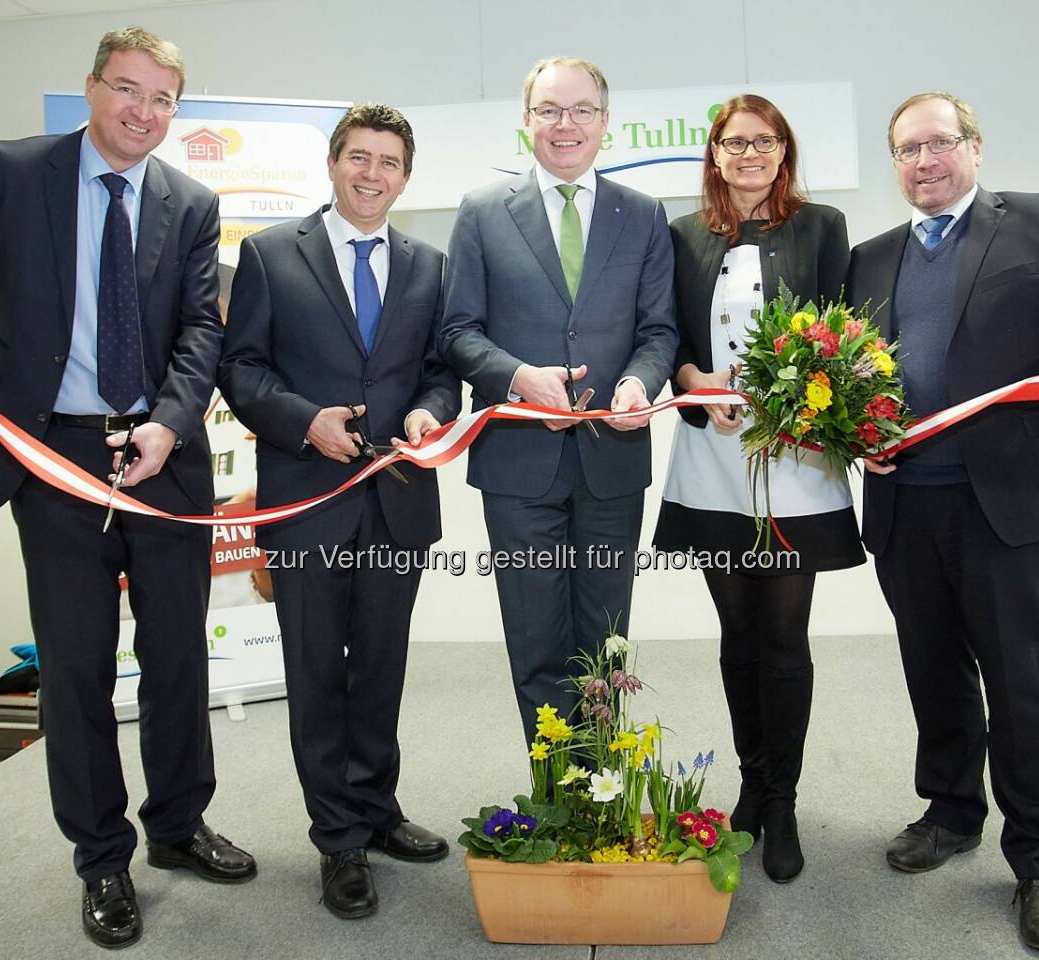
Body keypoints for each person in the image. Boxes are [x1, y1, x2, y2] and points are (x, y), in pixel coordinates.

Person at [0, 26, 256, 950]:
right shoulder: (13, 172)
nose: (143, 111)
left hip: (161, 458)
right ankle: (102, 859)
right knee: (79, 670)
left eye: (162, 98)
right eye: (127, 90)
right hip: (51, 457)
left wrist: (170, 423)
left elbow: (200, 339)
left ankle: (175, 826)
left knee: (177, 658)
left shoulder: (193, 200)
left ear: (176, 110)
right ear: (92, 89)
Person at [846, 91, 1039, 953]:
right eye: (905, 150)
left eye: (938, 143)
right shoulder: (869, 258)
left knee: (1020, 681)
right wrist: (856, 434)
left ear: (974, 146)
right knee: (932, 669)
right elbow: (856, 375)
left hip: (1005, 504)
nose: (923, 162)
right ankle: (949, 811)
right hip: (906, 500)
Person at [217, 103, 460, 921]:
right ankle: (337, 839)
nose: (372, 174)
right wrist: (304, 421)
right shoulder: (268, 254)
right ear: (332, 163)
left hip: (396, 503)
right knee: (317, 671)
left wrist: (430, 413)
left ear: (406, 177)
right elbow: (241, 370)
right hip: (306, 501)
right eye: (359, 157)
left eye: (389, 163)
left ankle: (377, 809)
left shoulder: (428, 263)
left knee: (380, 668)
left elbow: (438, 370)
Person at [652, 94, 865, 883]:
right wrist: (691, 376)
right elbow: (666, 331)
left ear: (785, 150)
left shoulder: (821, 227)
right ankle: (750, 782)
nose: (749, 153)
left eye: (764, 140)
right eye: (734, 141)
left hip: (795, 461)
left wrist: (793, 389)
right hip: (711, 456)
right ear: (713, 153)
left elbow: (844, 334)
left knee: (782, 637)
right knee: (737, 634)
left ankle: (783, 800)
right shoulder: (682, 235)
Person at [439, 56, 677, 745]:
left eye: (580, 111)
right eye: (549, 110)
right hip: (518, 465)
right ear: (527, 122)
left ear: (606, 122)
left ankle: (600, 788)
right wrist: (518, 378)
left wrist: (639, 381)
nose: (565, 125)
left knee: (605, 640)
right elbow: (457, 332)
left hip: (613, 461)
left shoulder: (642, 214)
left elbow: (659, 330)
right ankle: (553, 790)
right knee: (536, 639)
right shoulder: (483, 213)